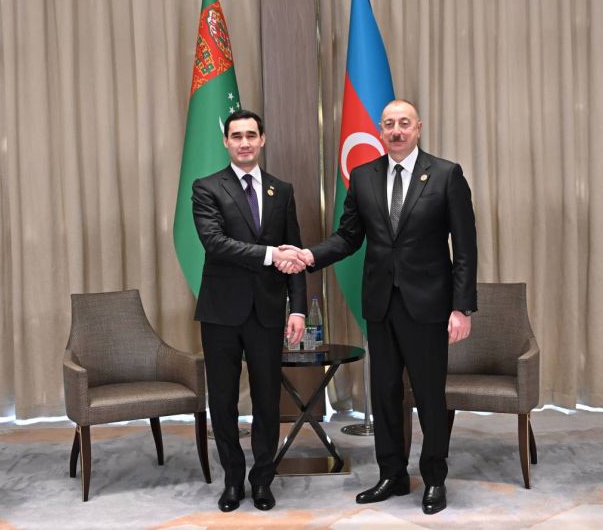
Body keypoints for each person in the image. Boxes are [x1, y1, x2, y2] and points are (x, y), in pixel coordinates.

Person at [282, 99, 477, 515]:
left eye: (404, 123)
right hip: (381, 305)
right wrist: (310, 256)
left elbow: (465, 248)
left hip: (428, 306)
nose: (396, 130)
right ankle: (392, 474)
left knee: (429, 395)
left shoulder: (446, 175)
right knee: (385, 393)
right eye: (389, 124)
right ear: (380, 130)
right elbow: (348, 237)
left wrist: (461, 308)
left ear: (418, 128)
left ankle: (435, 478)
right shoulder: (363, 176)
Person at [192, 109, 307, 512]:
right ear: (226, 141)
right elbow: (215, 243)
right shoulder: (207, 188)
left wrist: (298, 310)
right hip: (221, 313)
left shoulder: (282, 190)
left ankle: (262, 480)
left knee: (267, 401)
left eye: (251, 135)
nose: (244, 142)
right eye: (236, 136)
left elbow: (295, 253)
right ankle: (232, 480)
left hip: (268, 313)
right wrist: (270, 254)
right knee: (223, 401)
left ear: (263, 139)